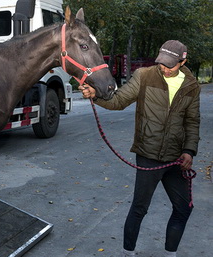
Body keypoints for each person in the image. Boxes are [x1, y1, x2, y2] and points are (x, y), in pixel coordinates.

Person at [79, 40, 200, 257]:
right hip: (149, 156)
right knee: (139, 208)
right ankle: (128, 253)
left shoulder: (191, 85)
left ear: (183, 61)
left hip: (176, 159)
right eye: (162, 63)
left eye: (170, 64)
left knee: (183, 208)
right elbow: (119, 101)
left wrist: (189, 150)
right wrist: (95, 96)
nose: (164, 68)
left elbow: (192, 121)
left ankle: (170, 253)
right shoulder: (145, 76)